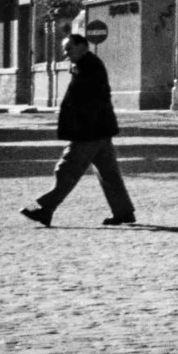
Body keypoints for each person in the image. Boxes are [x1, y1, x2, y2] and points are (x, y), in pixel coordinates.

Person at [20, 31, 135, 228]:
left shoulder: (88, 68)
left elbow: (89, 103)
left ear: (82, 47)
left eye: (69, 49)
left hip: (88, 132)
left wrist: (79, 130)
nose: (66, 54)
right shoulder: (86, 65)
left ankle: (45, 208)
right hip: (99, 130)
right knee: (108, 173)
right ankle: (123, 211)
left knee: (67, 169)